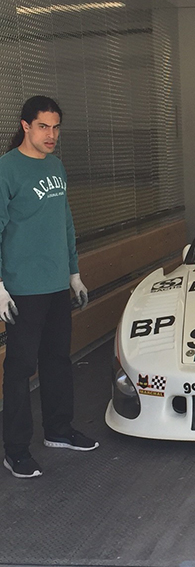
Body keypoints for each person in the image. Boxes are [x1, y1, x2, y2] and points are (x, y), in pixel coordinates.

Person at [0, 96, 98, 479]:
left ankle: (58, 430)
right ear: (25, 126)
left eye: (56, 127)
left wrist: (73, 273)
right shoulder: (7, 170)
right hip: (23, 289)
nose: (51, 134)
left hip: (57, 284)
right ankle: (16, 449)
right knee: (21, 367)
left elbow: (65, 223)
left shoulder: (56, 166)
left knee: (57, 360)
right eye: (43, 126)